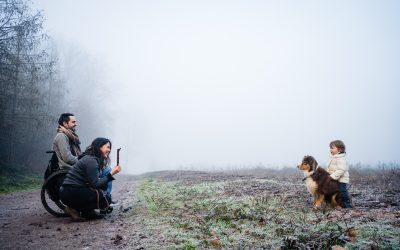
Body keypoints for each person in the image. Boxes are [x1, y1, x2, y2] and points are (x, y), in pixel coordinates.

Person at [59, 137, 121, 220]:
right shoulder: (91, 161)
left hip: (69, 191)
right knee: (106, 199)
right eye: (108, 147)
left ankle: (86, 212)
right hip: (71, 192)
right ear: (99, 147)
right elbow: (95, 184)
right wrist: (111, 174)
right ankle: (75, 208)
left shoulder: (91, 158)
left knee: (103, 189)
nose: (109, 150)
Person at [326, 140, 353, 208]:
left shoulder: (341, 158)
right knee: (333, 192)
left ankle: (348, 206)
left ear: (340, 149)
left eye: (332, 148)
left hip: (341, 179)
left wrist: (332, 176)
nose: (330, 149)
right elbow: (329, 168)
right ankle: (337, 205)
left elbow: (341, 170)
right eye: (330, 148)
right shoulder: (332, 158)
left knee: (342, 192)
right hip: (334, 179)